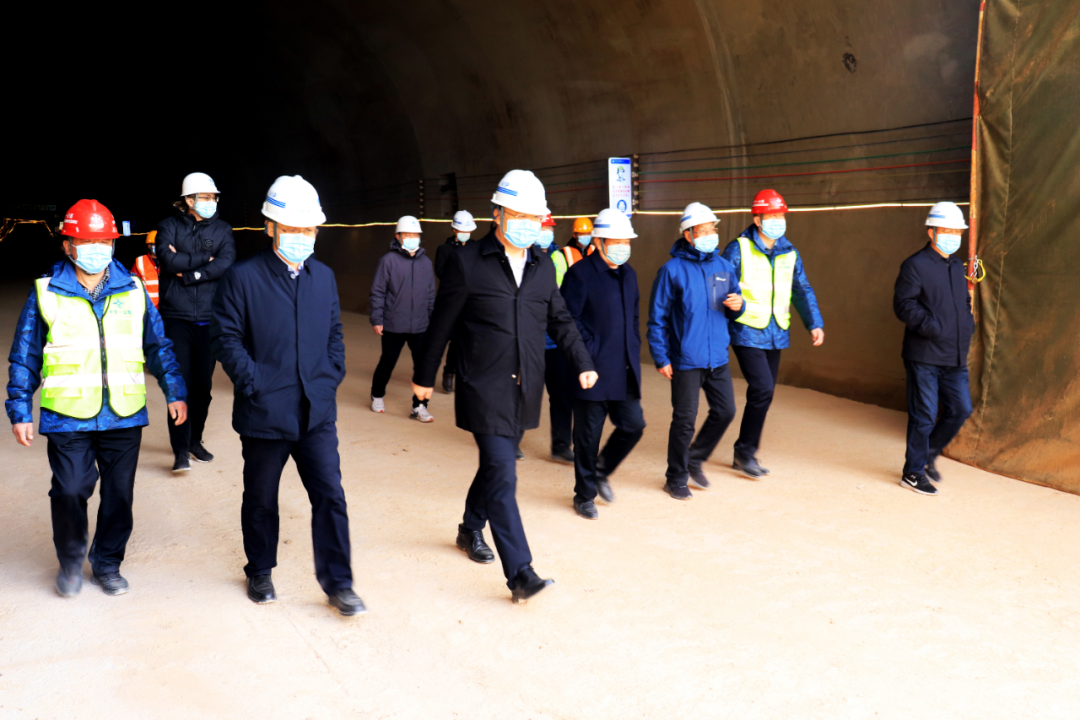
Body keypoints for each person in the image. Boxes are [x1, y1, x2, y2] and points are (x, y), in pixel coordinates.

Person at [411, 170, 597, 603]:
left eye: (534, 217)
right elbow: (441, 323)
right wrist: (424, 377)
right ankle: (521, 573)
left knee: (494, 468)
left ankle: (469, 528)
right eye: (519, 215)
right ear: (497, 214)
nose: (527, 224)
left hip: (525, 384)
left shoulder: (541, 266)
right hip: (483, 384)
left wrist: (582, 362)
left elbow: (560, 319)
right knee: (503, 471)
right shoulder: (467, 263)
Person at [6, 199, 187, 598]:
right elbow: (24, 355)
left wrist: (175, 390)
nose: (97, 248)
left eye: (104, 241)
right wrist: (19, 409)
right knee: (70, 490)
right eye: (87, 241)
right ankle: (71, 561)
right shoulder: (46, 292)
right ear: (67, 245)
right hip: (68, 414)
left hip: (124, 412)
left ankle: (107, 562)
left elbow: (158, 345)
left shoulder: (133, 290)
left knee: (119, 495)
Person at [210, 175, 365, 616]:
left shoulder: (324, 277)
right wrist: (254, 382)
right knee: (261, 498)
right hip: (265, 412)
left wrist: (330, 376)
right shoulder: (243, 278)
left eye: (308, 229)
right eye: (292, 228)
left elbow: (335, 334)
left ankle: (339, 583)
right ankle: (260, 570)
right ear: (271, 227)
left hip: (316, 411)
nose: (302, 237)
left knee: (330, 495)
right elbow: (225, 337)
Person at [722, 189, 824, 478]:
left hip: (776, 330)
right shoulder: (738, 248)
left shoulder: (789, 252)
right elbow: (720, 286)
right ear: (757, 219)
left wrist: (814, 323)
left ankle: (745, 452)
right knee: (763, 388)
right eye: (771, 216)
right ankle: (744, 452)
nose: (778, 221)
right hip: (746, 329)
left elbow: (802, 290)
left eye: (781, 216)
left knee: (764, 393)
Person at [648, 202, 744, 500]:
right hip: (686, 359)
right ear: (688, 235)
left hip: (717, 357)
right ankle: (675, 477)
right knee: (684, 420)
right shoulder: (671, 271)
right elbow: (657, 318)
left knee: (726, 411)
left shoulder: (724, 267)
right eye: (702, 231)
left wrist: (739, 306)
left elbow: (734, 306)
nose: (709, 235)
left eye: (712, 230)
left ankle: (695, 458)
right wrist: (661, 357)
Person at [561, 209, 645, 519]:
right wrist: (590, 350)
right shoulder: (580, 274)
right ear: (598, 241)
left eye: (627, 241)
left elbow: (633, 317)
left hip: (623, 368)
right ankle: (584, 496)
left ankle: (601, 470)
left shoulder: (629, 274)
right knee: (587, 438)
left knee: (633, 425)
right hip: (591, 369)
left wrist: (632, 346)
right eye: (616, 241)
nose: (623, 247)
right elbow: (566, 320)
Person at [156, 172, 236, 473]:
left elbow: (225, 263)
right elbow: (167, 261)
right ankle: (180, 449)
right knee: (180, 385)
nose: (211, 201)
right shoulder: (168, 226)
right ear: (189, 200)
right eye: (205, 197)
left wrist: (189, 273)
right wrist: (206, 260)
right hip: (176, 318)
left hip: (208, 319)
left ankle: (194, 440)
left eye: (214, 197)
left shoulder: (223, 229)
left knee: (202, 387)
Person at [892, 201, 974, 496]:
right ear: (931, 232)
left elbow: (963, 301)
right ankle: (912, 473)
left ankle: (928, 455)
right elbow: (904, 304)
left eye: (957, 232)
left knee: (961, 409)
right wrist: (933, 327)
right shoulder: (915, 265)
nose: (953, 236)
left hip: (954, 355)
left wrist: (967, 323)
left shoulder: (956, 265)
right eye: (947, 230)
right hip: (924, 355)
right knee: (924, 414)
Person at [369, 216, 436, 422]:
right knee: (387, 362)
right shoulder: (388, 261)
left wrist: (433, 320)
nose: (412, 238)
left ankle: (420, 406)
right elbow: (378, 291)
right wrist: (377, 319)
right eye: (407, 235)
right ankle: (377, 395)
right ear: (398, 237)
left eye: (415, 235)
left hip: (421, 325)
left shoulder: (426, 263)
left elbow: (431, 294)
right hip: (394, 323)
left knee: (423, 367)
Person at [538, 213, 574, 463]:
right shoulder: (521, 256)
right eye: (543, 227)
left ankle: (561, 446)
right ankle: (512, 442)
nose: (547, 232)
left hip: (555, 340)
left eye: (549, 228)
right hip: (529, 339)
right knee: (524, 393)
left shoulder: (559, 256)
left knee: (562, 394)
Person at [435, 210, 476, 394]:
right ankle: (449, 372)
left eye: (467, 230)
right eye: (461, 230)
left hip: (471, 301)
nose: (464, 233)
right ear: (454, 229)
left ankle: (463, 374)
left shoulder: (475, 248)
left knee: (468, 340)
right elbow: (441, 273)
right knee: (454, 339)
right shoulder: (445, 250)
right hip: (452, 300)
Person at [132, 230, 161, 308]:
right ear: (149, 245)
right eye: (155, 244)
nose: (159, 247)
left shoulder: (169, 260)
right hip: (148, 306)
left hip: (167, 307)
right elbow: (134, 284)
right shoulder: (140, 261)